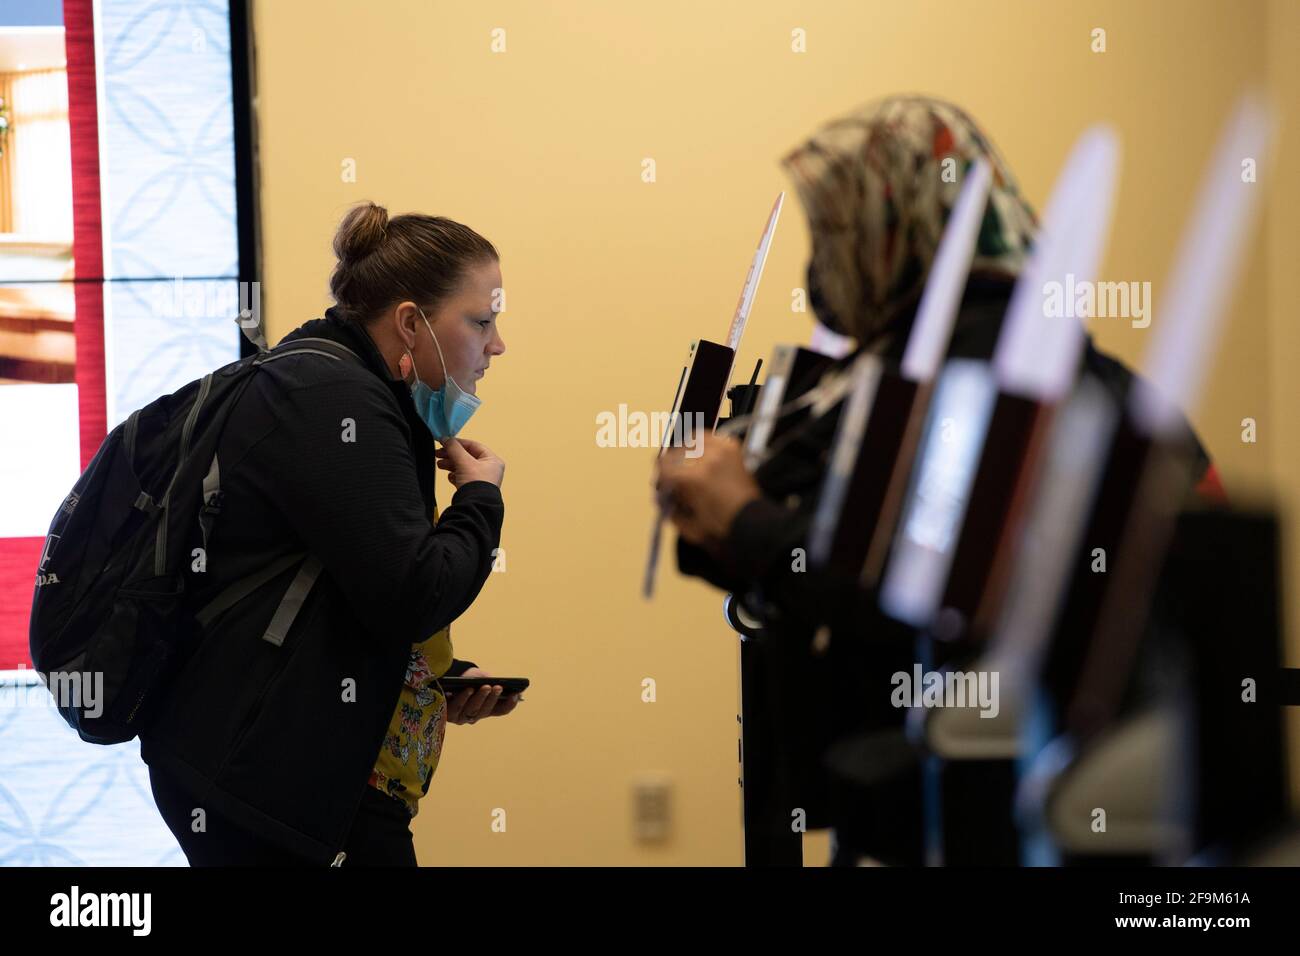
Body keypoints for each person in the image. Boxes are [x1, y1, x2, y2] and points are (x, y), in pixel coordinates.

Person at [653, 95, 1219, 864]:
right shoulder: (955, 353)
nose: (821, 268)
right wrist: (727, 520)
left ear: (900, 229)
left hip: (1017, 808)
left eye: (836, 235)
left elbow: (904, 591)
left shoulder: (980, 370)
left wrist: (745, 519)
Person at [143, 201, 518, 866]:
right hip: (269, 783)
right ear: (410, 322)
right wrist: (482, 499)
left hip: (266, 764)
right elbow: (414, 593)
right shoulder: (336, 400)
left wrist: (435, 677)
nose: (496, 345)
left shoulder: (335, 384)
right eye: (481, 321)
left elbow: (347, 588)